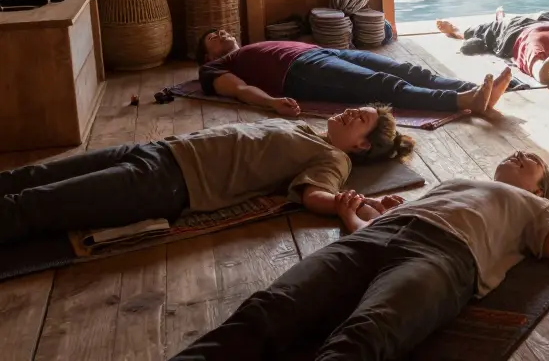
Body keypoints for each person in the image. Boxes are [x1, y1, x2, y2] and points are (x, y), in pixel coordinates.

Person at [174, 150, 549, 360]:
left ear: (542, 187)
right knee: (270, 309)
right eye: (518, 153)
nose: (519, 156)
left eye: (530, 161)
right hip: (373, 239)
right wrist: (353, 219)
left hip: (446, 259)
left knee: (366, 336)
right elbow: (374, 222)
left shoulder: (539, 209)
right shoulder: (458, 180)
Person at [0, 107, 413, 243]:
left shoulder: (334, 160)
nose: (347, 112)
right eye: (355, 108)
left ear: (360, 145)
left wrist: (346, 204)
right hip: (157, 150)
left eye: (357, 118)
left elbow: (313, 195)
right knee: (30, 174)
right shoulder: (305, 126)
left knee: (32, 206)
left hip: (167, 184)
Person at [196, 29, 507, 117]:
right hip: (300, 71)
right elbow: (239, 91)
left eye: (222, 30)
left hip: (320, 53)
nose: (222, 33)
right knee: (381, 84)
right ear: (207, 53)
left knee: (406, 69)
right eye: (213, 36)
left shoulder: (248, 47)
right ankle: (458, 100)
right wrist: (271, 103)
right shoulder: (215, 67)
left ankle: (476, 87)